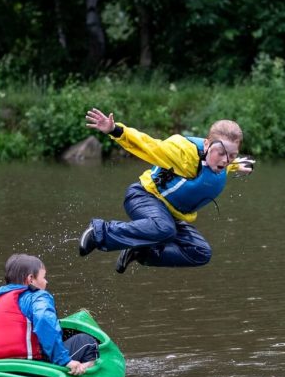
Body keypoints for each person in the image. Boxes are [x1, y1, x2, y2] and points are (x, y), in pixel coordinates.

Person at [78, 108, 254, 273]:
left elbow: (215, 166)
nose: (225, 160)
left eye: (232, 155)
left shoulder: (222, 162)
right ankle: (99, 232)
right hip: (143, 196)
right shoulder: (181, 153)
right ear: (207, 144)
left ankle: (140, 251)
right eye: (222, 153)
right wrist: (115, 130)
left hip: (169, 216)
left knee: (200, 252)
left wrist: (237, 165)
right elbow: (147, 144)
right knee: (165, 228)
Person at [0, 254, 97, 376]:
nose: (46, 282)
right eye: (44, 277)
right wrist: (64, 360)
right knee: (86, 341)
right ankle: (77, 370)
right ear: (31, 279)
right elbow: (43, 319)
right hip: (32, 365)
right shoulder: (36, 296)